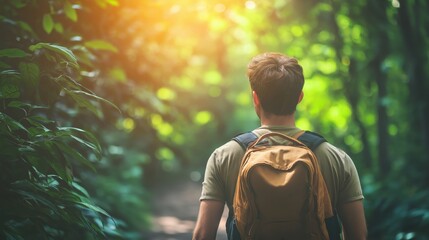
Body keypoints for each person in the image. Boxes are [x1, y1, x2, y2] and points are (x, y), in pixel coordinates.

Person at [193, 52, 367, 240]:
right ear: (299, 97)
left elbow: (203, 235)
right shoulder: (336, 159)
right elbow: (359, 235)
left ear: (255, 98)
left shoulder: (224, 157)